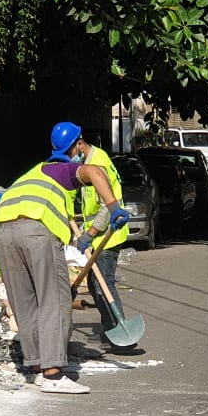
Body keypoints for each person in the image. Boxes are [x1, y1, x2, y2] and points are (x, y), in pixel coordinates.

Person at [0, 125, 128, 394]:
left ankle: (37, 367)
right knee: (54, 298)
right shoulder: (59, 168)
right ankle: (53, 374)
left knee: (25, 301)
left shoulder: (30, 174)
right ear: (76, 146)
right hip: (35, 231)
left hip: (1, 231)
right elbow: (94, 172)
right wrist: (113, 207)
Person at [62, 123, 129, 347]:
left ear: (79, 144)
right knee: (94, 284)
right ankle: (110, 329)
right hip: (97, 234)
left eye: (69, 152)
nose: (69, 158)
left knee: (103, 284)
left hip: (108, 234)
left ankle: (118, 331)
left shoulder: (98, 164)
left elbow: (107, 206)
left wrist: (89, 234)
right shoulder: (87, 162)